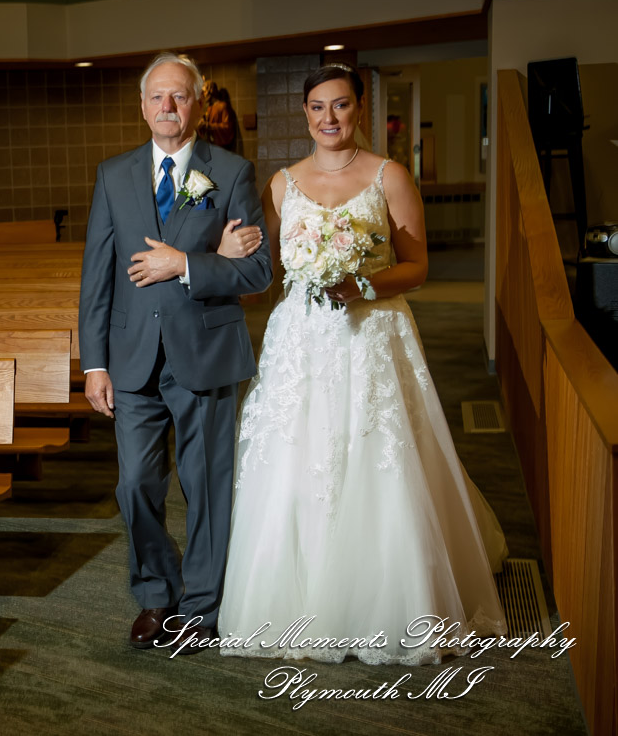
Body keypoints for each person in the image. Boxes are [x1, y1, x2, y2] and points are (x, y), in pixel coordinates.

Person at [216, 64, 508, 664]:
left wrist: (363, 284)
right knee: (298, 457)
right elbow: (265, 276)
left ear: (360, 109)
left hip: (371, 333)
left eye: (341, 106)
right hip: (301, 339)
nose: (330, 118)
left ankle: (389, 600)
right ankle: (297, 601)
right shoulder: (280, 185)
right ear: (305, 114)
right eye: (318, 107)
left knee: (378, 452)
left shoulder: (388, 175)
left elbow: (417, 268)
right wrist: (227, 253)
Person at [78, 52, 271, 654]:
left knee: (207, 486)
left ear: (196, 102)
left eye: (179, 96)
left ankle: (200, 608)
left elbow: (259, 270)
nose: (167, 106)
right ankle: (156, 593)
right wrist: (95, 363)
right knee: (135, 484)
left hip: (204, 353)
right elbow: (98, 275)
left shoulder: (232, 172)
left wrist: (186, 263)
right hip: (132, 360)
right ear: (142, 106)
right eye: (157, 97)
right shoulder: (114, 175)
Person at [200, 80, 243, 156]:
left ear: (211, 91)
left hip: (222, 148)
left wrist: (209, 126)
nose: (203, 95)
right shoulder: (209, 108)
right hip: (210, 148)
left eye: (204, 92)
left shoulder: (222, 106)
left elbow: (227, 127)